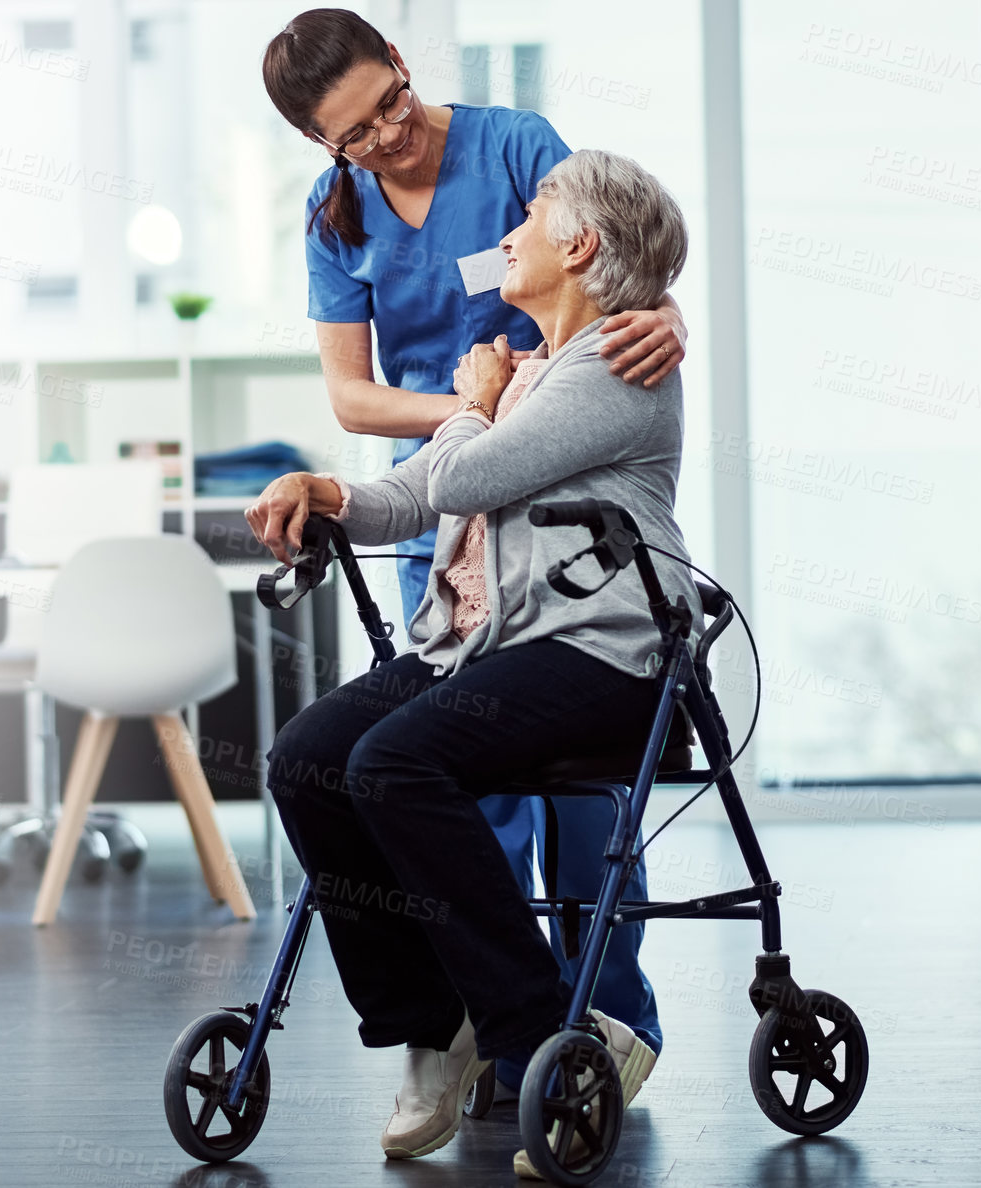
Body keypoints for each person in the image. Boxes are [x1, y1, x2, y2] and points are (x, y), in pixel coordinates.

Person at [244, 147, 695, 1179]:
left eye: (527, 219)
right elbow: (411, 493)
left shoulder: (615, 370)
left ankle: (540, 1034)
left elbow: (471, 473)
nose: (503, 238)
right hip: (485, 649)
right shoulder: (527, 372)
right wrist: (326, 490)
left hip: (603, 660)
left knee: (394, 765)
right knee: (305, 758)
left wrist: (471, 400)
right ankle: (431, 1017)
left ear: (577, 245)